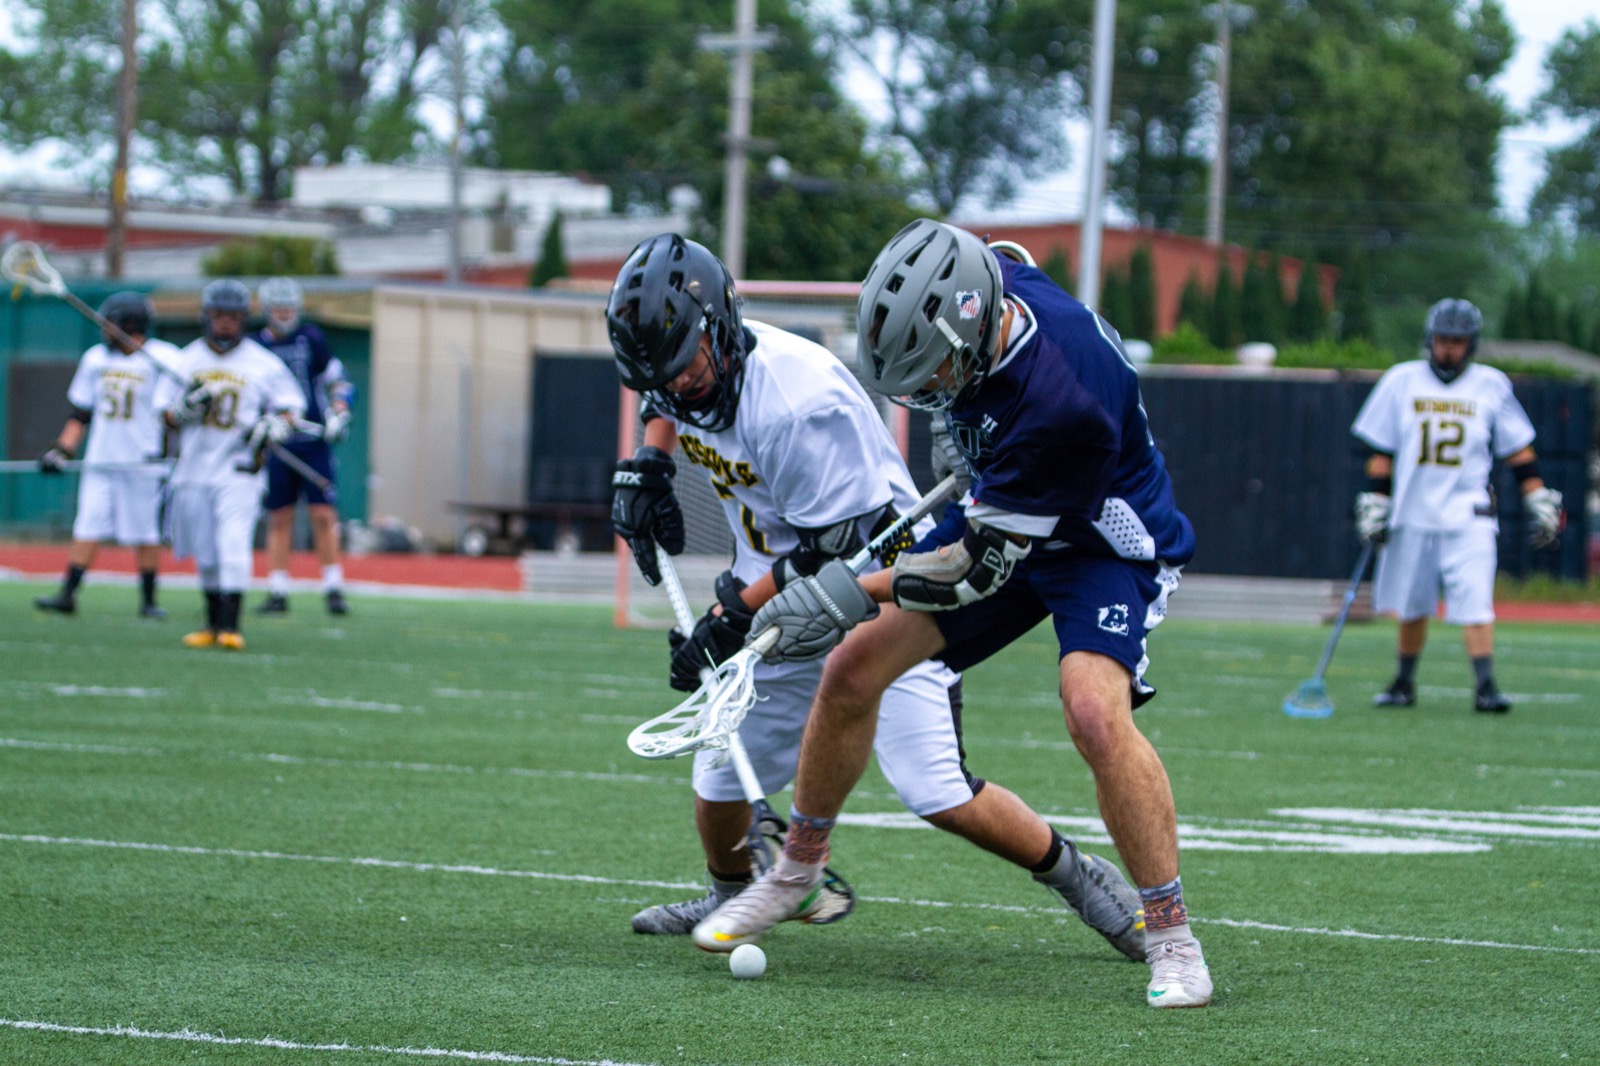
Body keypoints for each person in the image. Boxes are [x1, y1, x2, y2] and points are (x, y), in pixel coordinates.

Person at [692, 219, 1214, 1010]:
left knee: (1093, 715)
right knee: (852, 669)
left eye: (934, 369)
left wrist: (846, 591)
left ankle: (1172, 935)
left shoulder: (1064, 395)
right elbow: (1013, 264)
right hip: (1008, 505)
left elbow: (969, 571)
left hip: (1099, 538)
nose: (929, 385)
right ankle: (796, 871)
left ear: (969, 331)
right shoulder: (994, 274)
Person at [607, 233, 1146, 962]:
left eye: (686, 371)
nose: (677, 389)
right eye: (662, 379)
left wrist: (730, 613)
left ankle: (1078, 878)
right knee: (717, 777)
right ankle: (738, 892)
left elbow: (835, 544)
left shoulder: (796, 404)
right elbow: (663, 387)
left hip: (881, 578)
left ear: (722, 330)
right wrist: (650, 461)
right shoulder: (691, 368)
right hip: (782, 592)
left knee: (937, 790)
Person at [1351, 298, 1562, 714]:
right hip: (1411, 511)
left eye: (1457, 341)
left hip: (1469, 513)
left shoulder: (1491, 384)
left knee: (1475, 599)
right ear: (1430, 340)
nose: (1449, 348)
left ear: (1472, 344)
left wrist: (1536, 495)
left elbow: (1518, 449)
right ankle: (1403, 682)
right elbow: (1382, 450)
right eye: (1443, 340)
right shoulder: (1401, 380)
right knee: (1411, 602)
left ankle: (1485, 686)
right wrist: (1377, 501)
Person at [155, 279, 305, 650]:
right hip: (193, 468)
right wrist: (183, 412)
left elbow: (291, 408)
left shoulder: (262, 362)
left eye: (234, 317)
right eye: (219, 316)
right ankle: (211, 623)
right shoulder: (185, 360)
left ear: (244, 320)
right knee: (205, 551)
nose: (226, 324)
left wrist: (275, 426)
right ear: (206, 317)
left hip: (241, 467)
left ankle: (232, 627)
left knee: (232, 542)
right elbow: (165, 413)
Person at [32, 292, 181, 619]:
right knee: (88, 523)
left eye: (111, 322)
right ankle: (68, 594)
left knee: (145, 531)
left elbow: (175, 411)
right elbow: (81, 412)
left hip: (142, 460)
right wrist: (63, 448)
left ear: (129, 324)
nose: (105, 329)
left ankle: (148, 600)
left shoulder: (164, 359)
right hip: (101, 458)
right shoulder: (96, 359)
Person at [252, 277, 354, 615]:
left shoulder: (311, 339)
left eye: (289, 307)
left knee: (323, 514)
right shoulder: (255, 348)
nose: (284, 313)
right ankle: (278, 590)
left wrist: (339, 409)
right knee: (279, 518)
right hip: (278, 445)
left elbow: (338, 380)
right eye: (278, 307)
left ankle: (333, 587)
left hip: (312, 441)